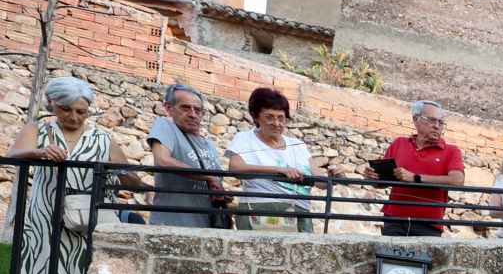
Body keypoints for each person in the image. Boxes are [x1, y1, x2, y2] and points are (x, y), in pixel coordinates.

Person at [6, 76, 142, 274]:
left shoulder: (104, 139)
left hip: (88, 221)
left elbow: (133, 182)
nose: (74, 117)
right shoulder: (38, 129)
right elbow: (13, 155)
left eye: (81, 111)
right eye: (65, 109)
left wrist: (119, 172)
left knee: (82, 270)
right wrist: (39, 152)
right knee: (41, 270)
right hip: (44, 219)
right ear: (51, 104)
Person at [223, 87, 344, 232]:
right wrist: (279, 170)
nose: (277, 123)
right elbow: (236, 168)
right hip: (263, 209)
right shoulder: (245, 138)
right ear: (255, 117)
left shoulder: (297, 145)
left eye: (281, 118)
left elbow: (318, 180)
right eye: (269, 117)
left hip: (300, 212)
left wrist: (332, 178)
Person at [363, 100, 465, 237]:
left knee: (422, 259)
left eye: (441, 123)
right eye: (432, 120)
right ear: (415, 119)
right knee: (388, 258)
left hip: (429, 223)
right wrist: (372, 177)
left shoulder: (451, 151)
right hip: (394, 219)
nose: (437, 126)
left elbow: (457, 180)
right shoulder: (399, 143)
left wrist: (415, 178)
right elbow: (381, 183)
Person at [147, 84, 228, 229]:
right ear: (168, 107)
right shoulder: (165, 125)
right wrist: (208, 177)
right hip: (171, 224)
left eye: (198, 110)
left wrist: (220, 193)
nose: (192, 114)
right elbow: (162, 160)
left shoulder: (209, 145)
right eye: (185, 107)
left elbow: (215, 182)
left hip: (206, 226)